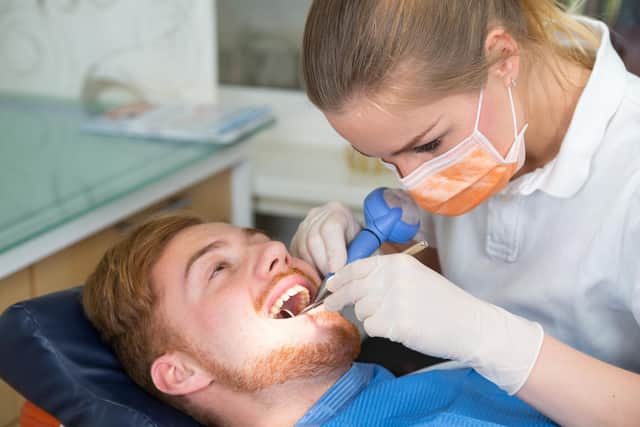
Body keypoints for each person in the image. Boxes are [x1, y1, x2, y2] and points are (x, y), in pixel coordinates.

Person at [291, 1, 640, 425]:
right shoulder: (488, 140)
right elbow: (468, 283)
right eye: (382, 158)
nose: (413, 183)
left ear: (502, 59)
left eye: (428, 145)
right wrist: (382, 258)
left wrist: (492, 339)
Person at [82, 213, 555, 426]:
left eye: (259, 239)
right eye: (218, 268)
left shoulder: (407, 381)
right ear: (181, 371)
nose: (274, 248)